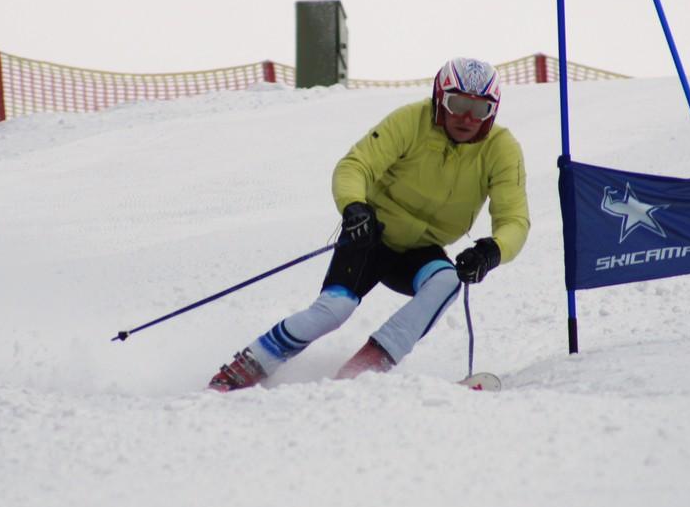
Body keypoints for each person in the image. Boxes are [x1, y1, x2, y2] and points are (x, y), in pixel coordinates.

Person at [208, 57, 531, 391]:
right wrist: (354, 208)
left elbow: (515, 219)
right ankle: (244, 368)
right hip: (372, 236)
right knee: (334, 309)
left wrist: (492, 251)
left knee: (447, 281)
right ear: (439, 99)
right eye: (457, 104)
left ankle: (363, 371)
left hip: (420, 251)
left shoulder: (501, 149)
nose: (466, 118)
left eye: (480, 110)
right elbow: (355, 165)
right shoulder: (412, 121)